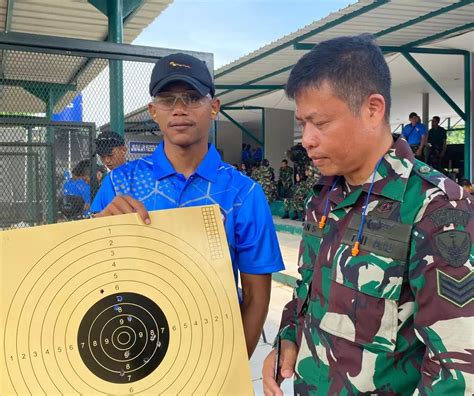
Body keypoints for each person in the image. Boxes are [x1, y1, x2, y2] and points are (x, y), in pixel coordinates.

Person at [262, 34, 473, 395]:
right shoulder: (325, 196)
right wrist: (288, 338)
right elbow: (307, 289)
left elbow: (458, 370)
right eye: (302, 124)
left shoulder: (435, 208)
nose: (307, 139)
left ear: (372, 109)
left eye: (320, 123)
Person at [91, 52, 284, 358]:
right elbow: (88, 275)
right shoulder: (119, 185)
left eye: (193, 97)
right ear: (154, 111)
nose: (179, 109)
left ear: (214, 108)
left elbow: (255, 298)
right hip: (131, 349)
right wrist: (98, 228)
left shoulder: (243, 194)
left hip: (209, 351)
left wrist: (229, 372)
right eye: (168, 99)